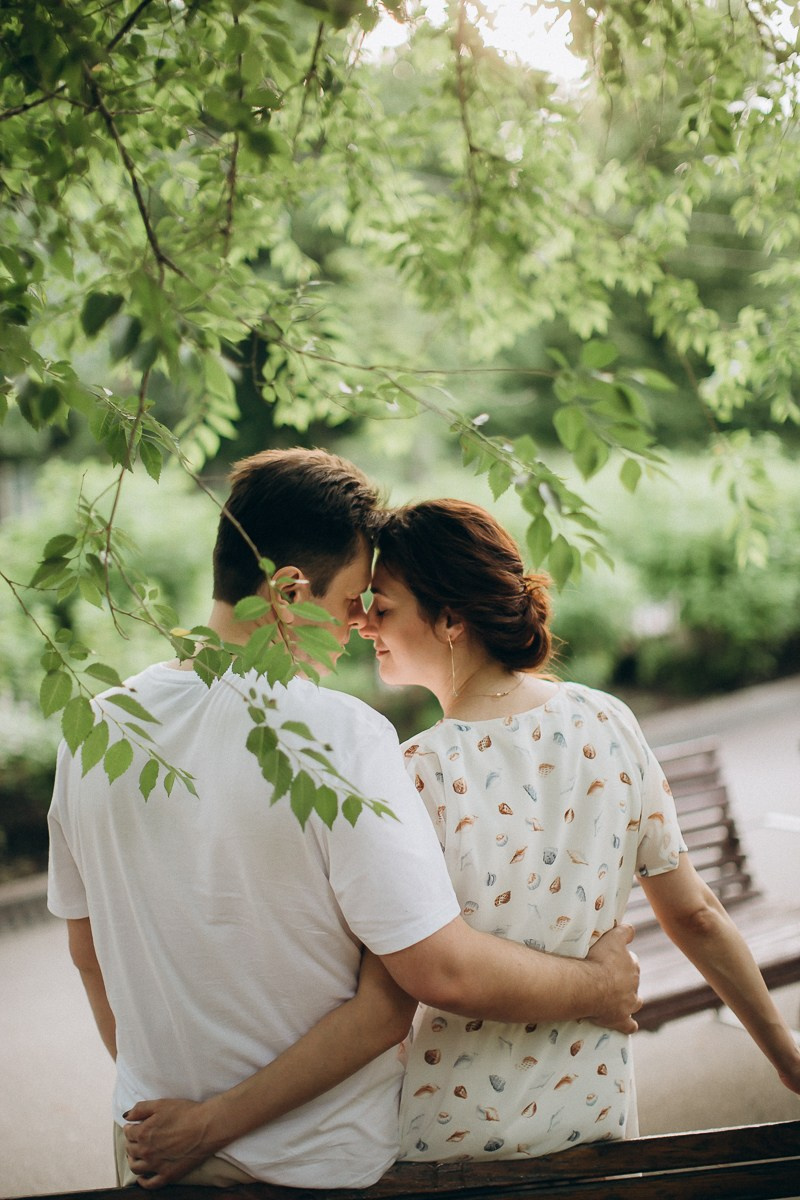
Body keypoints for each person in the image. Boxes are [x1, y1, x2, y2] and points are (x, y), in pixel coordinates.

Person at [47, 452, 643, 1191]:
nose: (362, 622)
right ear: (290, 591)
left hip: (151, 1153)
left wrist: (162, 1109)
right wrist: (602, 988)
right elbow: (432, 976)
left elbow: (88, 953)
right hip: (307, 1167)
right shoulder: (336, 735)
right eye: (353, 599)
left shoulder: (100, 724)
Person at [361, 498, 800, 1161]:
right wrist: (786, 1055)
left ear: (451, 618)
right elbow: (698, 916)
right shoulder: (608, 721)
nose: (364, 623)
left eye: (382, 605)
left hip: (452, 1133)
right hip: (592, 1120)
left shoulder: (416, 772)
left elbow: (393, 991)